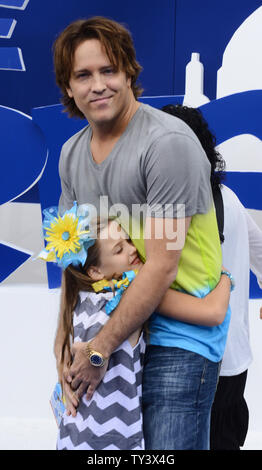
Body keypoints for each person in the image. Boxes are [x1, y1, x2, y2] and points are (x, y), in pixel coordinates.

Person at [53, 17, 232, 450]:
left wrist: (98, 350)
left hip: (175, 337)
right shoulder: (70, 155)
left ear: (130, 73)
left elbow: (162, 265)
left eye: (109, 70)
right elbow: (71, 264)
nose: (98, 85)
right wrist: (63, 345)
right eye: (83, 75)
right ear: (69, 88)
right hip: (111, 335)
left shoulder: (167, 144)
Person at [39, 202, 231, 450]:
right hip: (114, 441)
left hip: (72, 438)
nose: (133, 250)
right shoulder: (127, 298)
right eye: (119, 250)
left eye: (129, 241)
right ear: (95, 271)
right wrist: (226, 276)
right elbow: (212, 312)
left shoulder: (80, 300)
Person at [162, 104, 262, 450]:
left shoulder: (174, 208)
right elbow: (260, 250)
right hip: (234, 358)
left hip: (191, 361)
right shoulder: (228, 198)